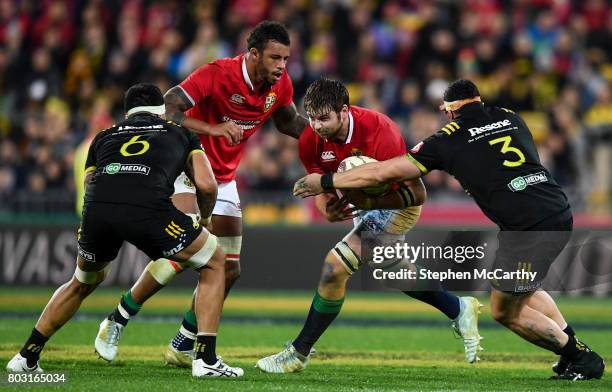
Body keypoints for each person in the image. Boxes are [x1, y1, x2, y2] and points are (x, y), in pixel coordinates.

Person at [293, 79, 605, 381]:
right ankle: (570, 353)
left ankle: (581, 356)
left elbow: (387, 170)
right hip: (556, 208)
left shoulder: (447, 140)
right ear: (479, 100)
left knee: (505, 311)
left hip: (528, 229)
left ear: (449, 111)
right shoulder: (511, 117)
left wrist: (327, 181)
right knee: (524, 290)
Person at [94, 20, 308, 366]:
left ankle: (183, 342)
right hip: (186, 169)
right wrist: (214, 128)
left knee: (230, 270)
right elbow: (170, 108)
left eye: (285, 58)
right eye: (274, 58)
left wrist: (329, 138)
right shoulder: (217, 73)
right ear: (253, 54)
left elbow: (288, 122)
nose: (282, 66)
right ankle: (117, 319)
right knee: (185, 254)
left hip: (223, 178)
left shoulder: (280, 84)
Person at [6, 83, 243, 378]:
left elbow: (89, 187)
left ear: (127, 112)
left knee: (81, 281)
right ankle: (205, 359)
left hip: (98, 212)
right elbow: (208, 185)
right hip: (149, 210)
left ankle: (26, 356)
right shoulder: (180, 132)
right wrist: (204, 219)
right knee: (215, 260)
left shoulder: (102, 137)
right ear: (161, 109)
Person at [256, 78, 482, 373]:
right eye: (311, 117)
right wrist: (328, 208)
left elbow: (416, 193)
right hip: (362, 206)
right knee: (398, 273)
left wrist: (364, 200)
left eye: (324, 118)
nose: (316, 125)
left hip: (398, 205)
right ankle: (459, 309)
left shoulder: (380, 131)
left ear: (344, 111)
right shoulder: (312, 138)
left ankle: (298, 353)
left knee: (334, 267)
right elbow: (322, 190)